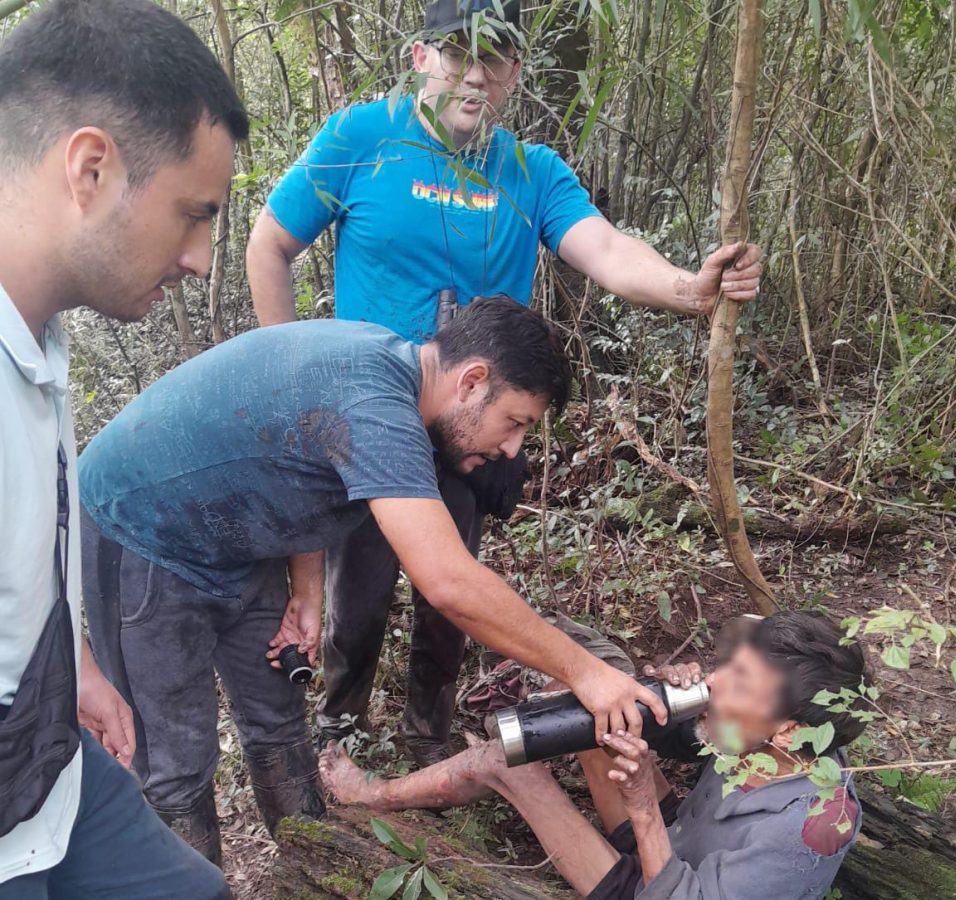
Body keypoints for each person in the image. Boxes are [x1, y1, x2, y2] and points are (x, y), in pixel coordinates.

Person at [246, 0, 764, 765]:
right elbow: (268, 244)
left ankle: (428, 736)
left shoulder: (532, 171)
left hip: (470, 425)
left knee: (450, 597)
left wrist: (692, 288)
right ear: (422, 56)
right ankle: (339, 725)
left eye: (496, 59)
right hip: (371, 415)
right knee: (357, 590)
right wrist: (289, 377)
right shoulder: (362, 138)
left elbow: (610, 251)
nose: (476, 74)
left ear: (517, 73)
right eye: (458, 53)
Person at [78, 296, 671, 866]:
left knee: (278, 720)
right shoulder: (376, 400)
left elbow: (298, 468)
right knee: (176, 765)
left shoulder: (393, 386)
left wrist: (307, 591)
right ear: (471, 381)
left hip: (239, 537)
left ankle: (308, 870)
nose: (512, 447)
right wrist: (586, 671)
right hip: (142, 533)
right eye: (513, 422)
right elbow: (448, 581)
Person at [0, 0, 246, 896]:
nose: (200, 256)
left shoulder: (40, 340)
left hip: (49, 758)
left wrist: (83, 671)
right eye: (192, 213)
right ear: (91, 167)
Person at [320, 611, 871, 900]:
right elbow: (682, 742)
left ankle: (370, 795)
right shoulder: (786, 739)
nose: (716, 681)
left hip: (663, 892)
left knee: (502, 766)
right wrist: (668, 703)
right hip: (677, 844)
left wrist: (644, 809)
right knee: (601, 724)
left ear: (790, 727)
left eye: (740, 681)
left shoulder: (815, 825)